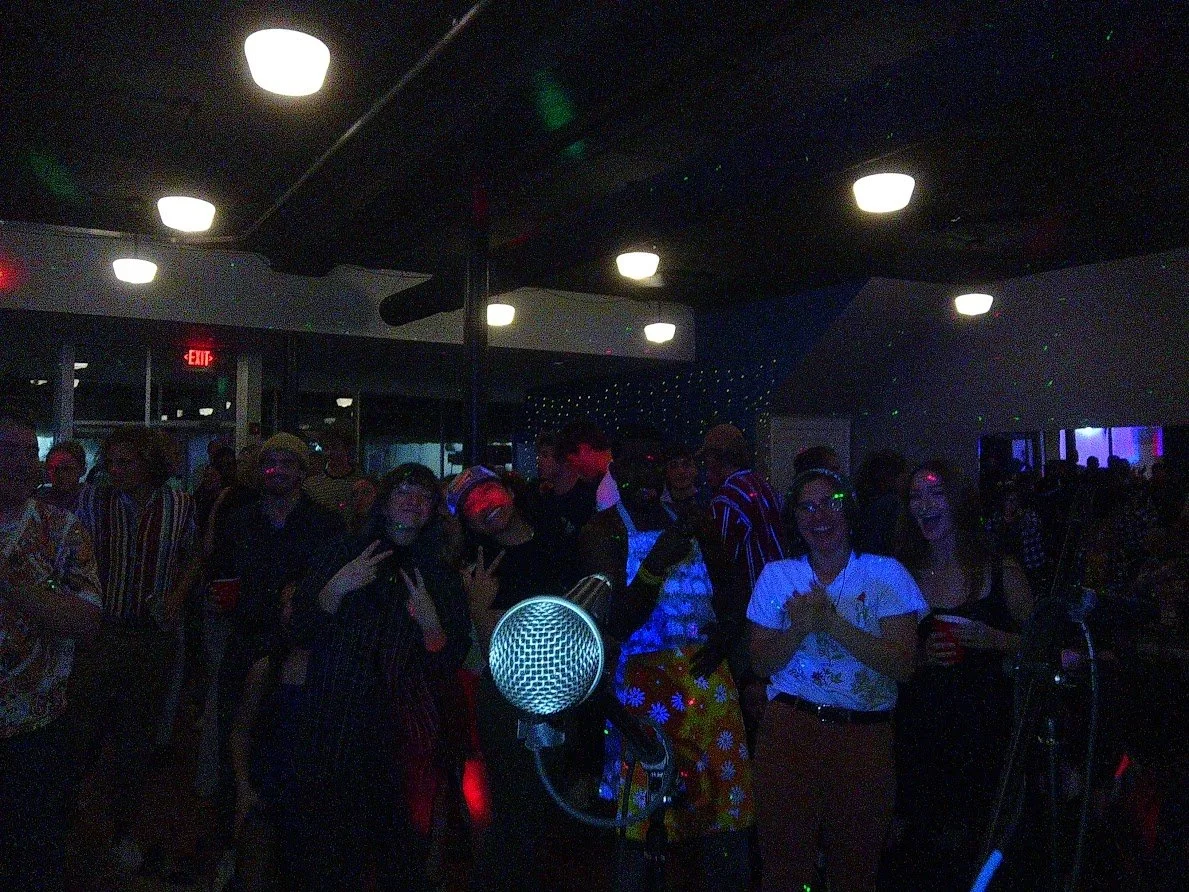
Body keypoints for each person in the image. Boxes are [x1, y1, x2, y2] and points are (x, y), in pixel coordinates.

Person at [579, 434, 753, 892]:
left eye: (655, 462)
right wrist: (655, 564)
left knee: (723, 810)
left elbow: (735, 588)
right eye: (634, 464)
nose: (646, 474)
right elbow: (617, 622)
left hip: (705, 681)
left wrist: (726, 634)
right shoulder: (602, 530)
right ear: (616, 471)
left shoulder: (695, 520)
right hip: (641, 690)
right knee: (640, 817)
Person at [290, 463, 471, 889]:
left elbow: (448, 657)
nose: (413, 501)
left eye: (423, 496)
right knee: (329, 841)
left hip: (401, 728)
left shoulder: (438, 572)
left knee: (396, 841)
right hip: (334, 714)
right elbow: (300, 628)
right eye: (403, 491)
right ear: (384, 502)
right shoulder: (344, 552)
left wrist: (431, 623)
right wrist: (338, 587)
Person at [748, 467, 925, 892]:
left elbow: (904, 665)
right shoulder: (778, 576)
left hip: (863, 735)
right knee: (784, 866)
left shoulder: (886, 573)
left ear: (850, 511)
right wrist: (798, 628)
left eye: (831, 502)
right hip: (790, 730)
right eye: (807, 507)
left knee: (856, 867)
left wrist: (830, 623)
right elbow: (761, 663)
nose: (820, 515)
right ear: (794, 519)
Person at [891, 460, 1033, 891]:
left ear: (959, 502)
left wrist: (995, 639)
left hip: (988, 733)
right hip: (923, 736)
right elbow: (888, 657)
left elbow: (1045, 647)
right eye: (915, 496)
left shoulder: (1000, 570)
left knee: (987, 849)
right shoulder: (901, 574)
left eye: (936, 493)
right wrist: (921, 657)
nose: (924, 504)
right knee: (928, 854)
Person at [70, 426, 198, 873]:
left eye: (126, 462)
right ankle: (69, 819)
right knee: (82, 727)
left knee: (137, 735)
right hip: (101, 631)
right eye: (112, 462)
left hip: (150, 634)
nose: (117, 470)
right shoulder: (93, 499)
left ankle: (122, 828)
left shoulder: (179, 504)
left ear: (149, 464)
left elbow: (192, 555)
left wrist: (177, 596)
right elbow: (73, 553)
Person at [446, 465, 580, 892]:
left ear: (508, 490)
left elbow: (583, 615)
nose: (484, 507)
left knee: (550, 809)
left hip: (566, 687)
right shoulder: (479, 565)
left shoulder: (558, 538)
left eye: (487, 493)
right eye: (471, 506)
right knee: (514, 810)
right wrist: (480, 608)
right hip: (509, 699)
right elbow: (496, 651)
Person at [206, 434, 342, 853]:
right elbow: (219, 572)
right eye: (271, 462)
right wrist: (219, 599)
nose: (278, 470)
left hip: (302, 647)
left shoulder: (325, 524)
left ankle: (290, 845)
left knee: (294, 742)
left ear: (302, 471)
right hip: (245, 639)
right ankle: (234, 840)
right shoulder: (239, 520)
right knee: (235, 732)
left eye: (288, 462)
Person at [0, 409, 102, 890]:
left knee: (33, 858)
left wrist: (15, 585)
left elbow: (87, 621)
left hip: (34, 724)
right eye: (8, 451)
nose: (22, 462)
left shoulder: (60, 530)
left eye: (29, 452)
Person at [557, 418, 620, 511]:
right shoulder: (629, 459)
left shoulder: (605, 493)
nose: (576, 472)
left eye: (571, 462)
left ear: (584, 449)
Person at [302, 429, 362, 525]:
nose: (329, 453)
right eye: (326, 448)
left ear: (347, 449)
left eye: (335, 447)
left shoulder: (361, 482)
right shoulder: (311, 485)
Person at [36, 440, 89, 514]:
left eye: (67, 468)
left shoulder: (92, 500)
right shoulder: (38, 498)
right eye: (54, 468)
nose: (60, 474)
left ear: (82, 471)